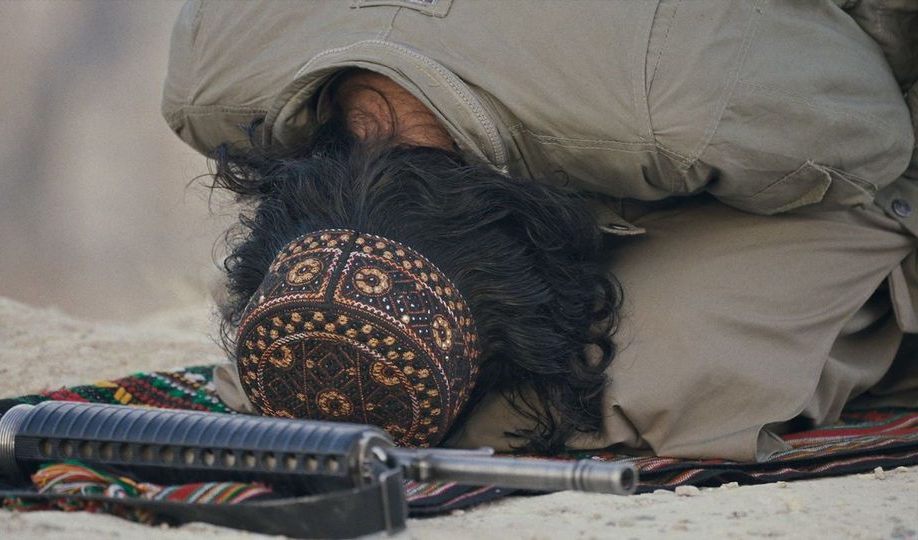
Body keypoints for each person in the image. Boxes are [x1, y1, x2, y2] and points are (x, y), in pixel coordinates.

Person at [162, 1, 917, 461]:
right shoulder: (210, 83)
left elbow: (877, 137)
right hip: (634, 112)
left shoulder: (681, 109)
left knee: (634, 386)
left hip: (848, 118)